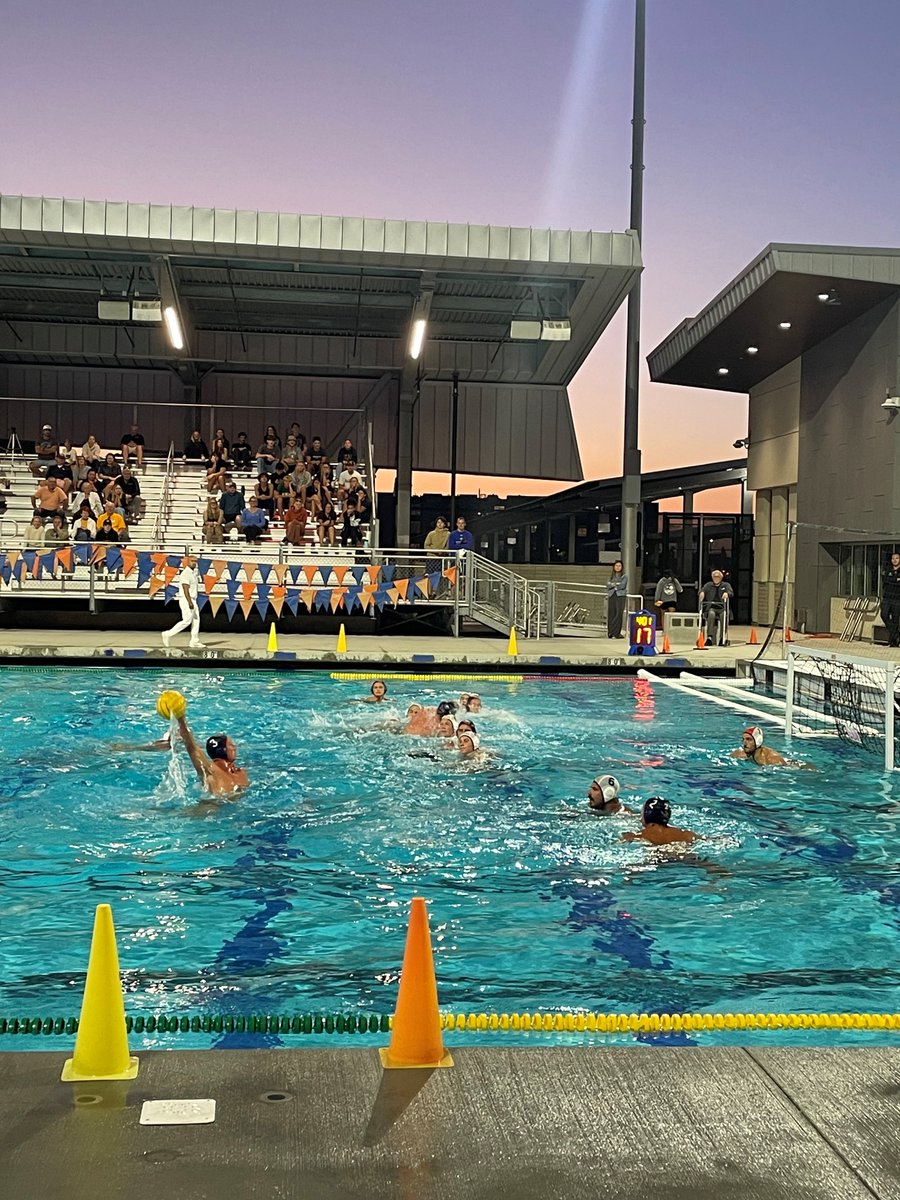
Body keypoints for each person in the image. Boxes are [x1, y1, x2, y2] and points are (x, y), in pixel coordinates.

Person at [174, 714, 249, 797]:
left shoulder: (240, 772)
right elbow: (193, 749)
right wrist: (181, 718)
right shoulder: (210, 770)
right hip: (214, 806)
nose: (235, 748)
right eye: (231, 745)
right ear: (222, 749)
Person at [162, 552, 205, 649]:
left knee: (196, 620)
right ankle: (168, 634)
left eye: (195, 561)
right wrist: (189, 602)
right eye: (192, 561)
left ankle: (194, 641)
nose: (194, 563)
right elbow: (185, 588)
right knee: (187, 620)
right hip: (186, 599)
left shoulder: (194, 573)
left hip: (193, 599)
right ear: (187, 562)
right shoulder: (186, 573)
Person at [623, 797, 696, 846]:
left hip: (659, 858)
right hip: (684, 855)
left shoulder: (639, 834)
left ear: (646, 814)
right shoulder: (686, 834)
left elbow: (618, 844)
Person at [699, 569, 734, 646]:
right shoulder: (708, 585)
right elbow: (702, 590)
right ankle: (709, 638)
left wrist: (726, 593)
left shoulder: (726, 585)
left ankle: (722, 638)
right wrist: (702, 593)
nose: (716, 578)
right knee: (711, 614)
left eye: (718, 577)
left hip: (722, 608)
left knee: (723, 616)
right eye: (714, 577)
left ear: (721, 578)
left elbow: (731, 592)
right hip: (711, 608)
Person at [881, 552, 900, 647]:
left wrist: (892, 580)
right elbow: (885, 581)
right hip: (887, 598)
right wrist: (895, 580)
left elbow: (895, 583)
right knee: (884, 615)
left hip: (897, 599)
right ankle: (897, 636)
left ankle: (893, 642)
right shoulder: (887, 569)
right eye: (893, 558)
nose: (895, 560)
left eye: (897, 558)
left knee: (896, 620)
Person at [606, 560, 628, 639]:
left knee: (618, 613)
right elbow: (608, 585)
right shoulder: (611, 576)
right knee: (611, 613)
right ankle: (610, 632)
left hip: (620, 596)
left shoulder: (624, 576)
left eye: (619, 566)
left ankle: (616, 632)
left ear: (622, 567)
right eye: (616, 565)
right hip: (612, 595)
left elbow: (622, 585)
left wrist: (613, 584)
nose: (617, 567)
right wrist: (615, 584)